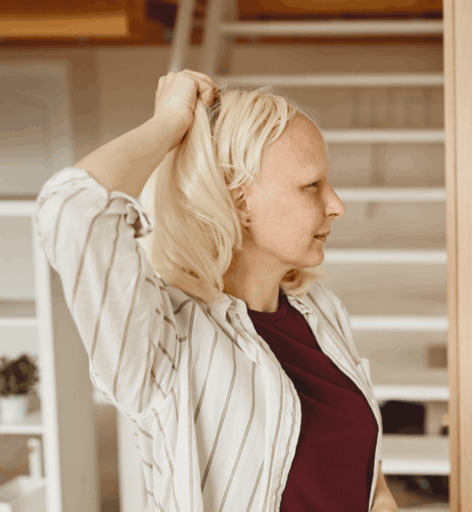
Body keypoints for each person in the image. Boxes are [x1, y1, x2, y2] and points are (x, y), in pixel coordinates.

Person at [34, 70, 399, 512]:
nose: (336, 205)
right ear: (241, 203)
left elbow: (363, 469)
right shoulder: (165, 341)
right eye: (312, 186)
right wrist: (170, 121)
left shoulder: (321, 311)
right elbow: (74, 210)